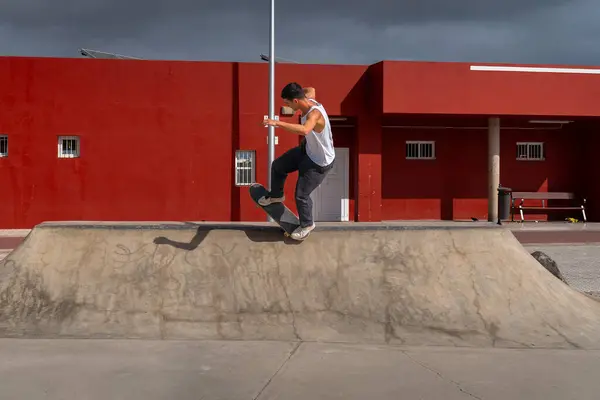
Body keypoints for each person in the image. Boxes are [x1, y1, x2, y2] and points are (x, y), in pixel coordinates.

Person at [261, 82, 335, 240]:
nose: (287, 106)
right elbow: (312, 89)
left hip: (319, 162)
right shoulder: (308, 98)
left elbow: (305, 130)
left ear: (295, 101)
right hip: (307, 150)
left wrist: (277, 123)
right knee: (278, 166)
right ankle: (276, 195)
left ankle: (307, 224)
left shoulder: (314, 114)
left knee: (301, 195)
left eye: (287, 103)